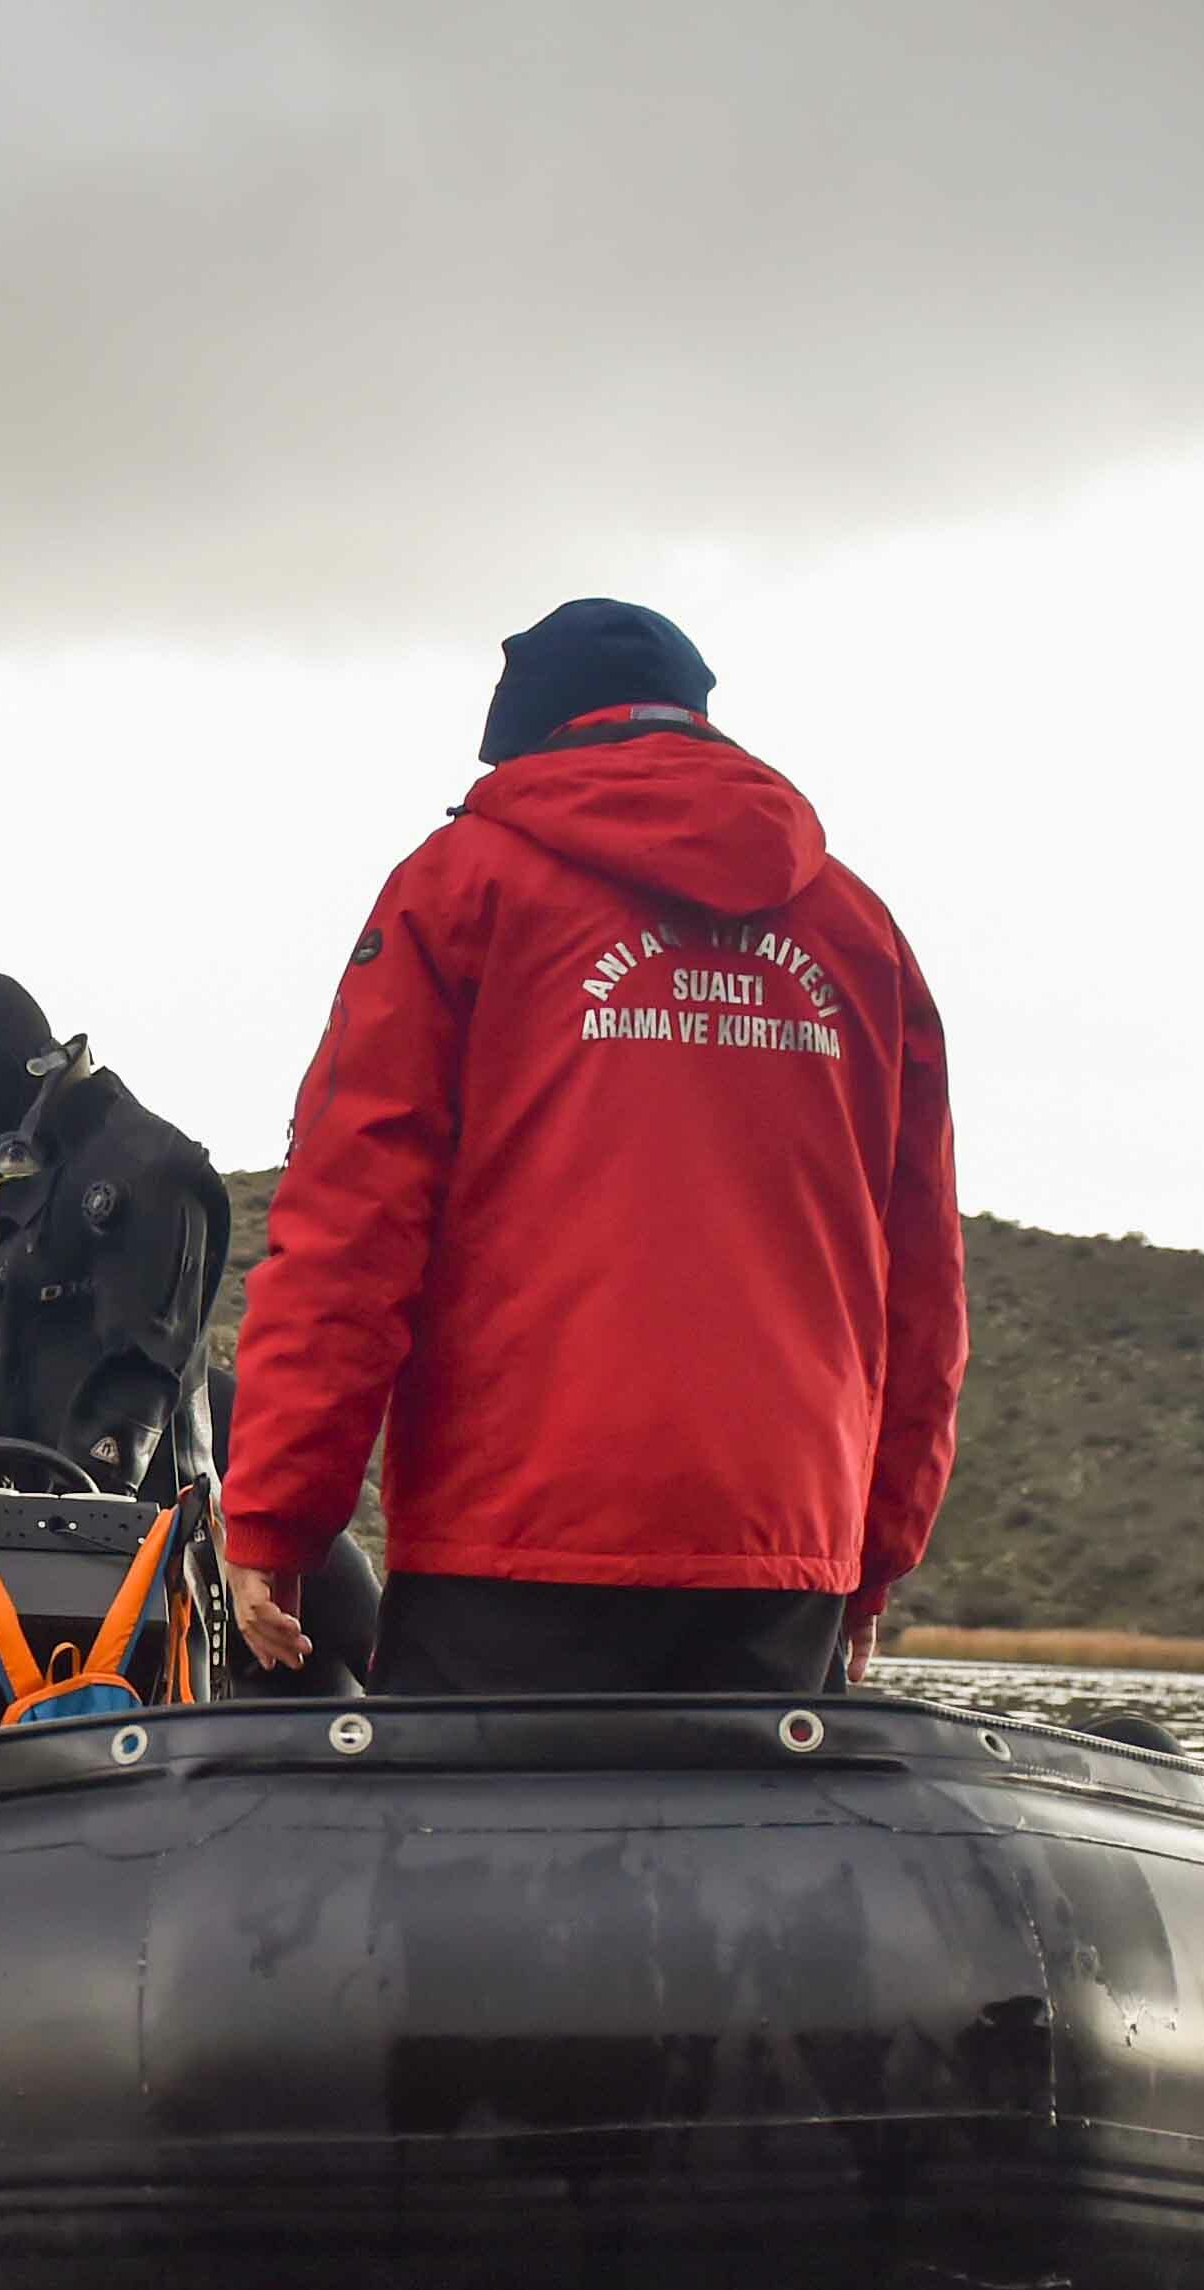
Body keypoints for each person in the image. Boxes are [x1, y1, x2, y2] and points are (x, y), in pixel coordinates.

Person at [222, 598, 963, 1697]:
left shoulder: (456, 888)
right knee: (743, 1869)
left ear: (523, 742)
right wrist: (873, 1553)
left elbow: (351, 1224)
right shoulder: (859, 931)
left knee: (484, 1866)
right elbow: (919, 1281)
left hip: (511, 1540)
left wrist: (278, 1513)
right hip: (778, 1543)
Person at [0, 972, 231, 1498]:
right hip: (22, 1538)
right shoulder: (36, 1179)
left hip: (134, 1546)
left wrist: (67, 1528)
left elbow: (135, 1381)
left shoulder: (146, 1165)